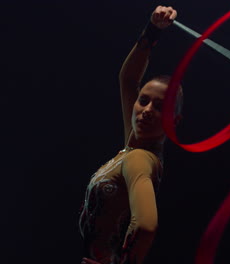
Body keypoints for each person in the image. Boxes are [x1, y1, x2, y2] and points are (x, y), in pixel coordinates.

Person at [79, 5, 182, 264]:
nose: (146, 110)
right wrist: (153, 30)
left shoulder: (140, 159)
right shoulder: (133, 145)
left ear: (174, 121)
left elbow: (146, 226)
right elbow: (128, 79)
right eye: (144, 100)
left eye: (160, 107)